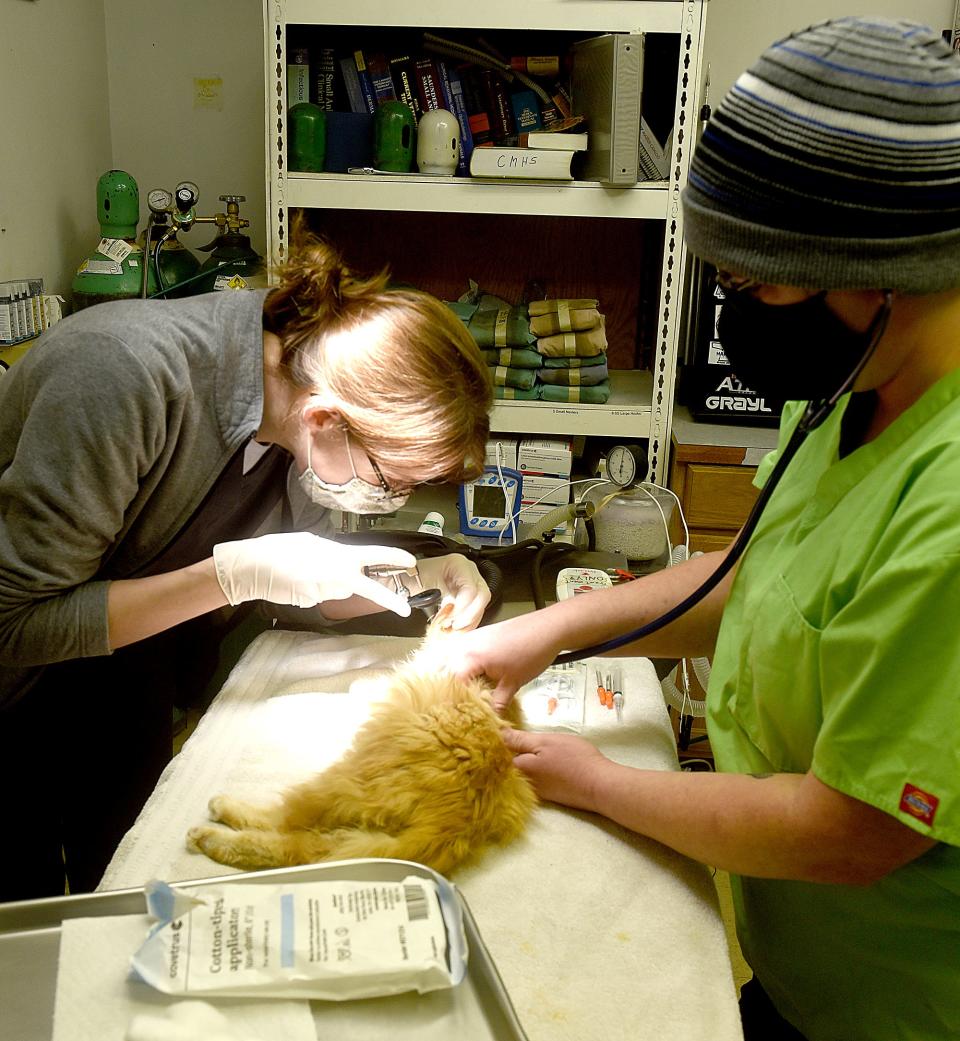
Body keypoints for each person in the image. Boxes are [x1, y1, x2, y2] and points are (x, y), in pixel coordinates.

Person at [440, 16, 960, 1041]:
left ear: (881, 275)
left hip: (902, 1004)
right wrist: (546, 631)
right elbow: (766, 575)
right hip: (805, 963)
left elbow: (849, 834)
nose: (741, 312)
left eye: (760, 283)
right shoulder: (867, 386)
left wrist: (597, 782)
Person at [0, 229, 493, 901]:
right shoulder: (122, 375)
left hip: (120, 662)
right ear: (324, 419)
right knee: (24, 909)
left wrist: (429, 573)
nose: (387, 500)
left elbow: (322, 591)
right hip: (18, 676)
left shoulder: (295, 391)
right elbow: (15, 625)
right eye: (388, 479)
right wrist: (232, 576)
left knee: (117, 882)